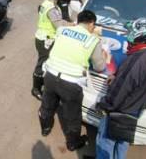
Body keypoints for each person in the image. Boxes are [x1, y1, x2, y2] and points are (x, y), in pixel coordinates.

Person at [96, 18, 146, 159]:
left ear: (142, 35)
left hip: (119, 110)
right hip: (135, 108)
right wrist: (117, 75)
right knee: (122, 141)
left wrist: (105, 105)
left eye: (132, 31)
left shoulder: (136, 59)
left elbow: (120, 90)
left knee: (105, 143)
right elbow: (138, 82)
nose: (129, 34)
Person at [39, 10, 106, 151]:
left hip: (50, 75)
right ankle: (72, 143)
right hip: (70, 83)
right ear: (91, 24)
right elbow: (100, 67)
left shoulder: (63, 30)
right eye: (94, 26)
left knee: (47, 104)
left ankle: (45, 128)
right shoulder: (93, 40)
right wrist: (105, 56)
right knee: (72, 115)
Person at [32, 0, 72, 100]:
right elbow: (59, 24)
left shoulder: (47, 3)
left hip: (43, 37)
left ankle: (42, 82)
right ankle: (36, 89)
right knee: (42, 63)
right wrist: (73, 25)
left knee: (45, 61)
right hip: (46, 40)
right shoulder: (52, 8)